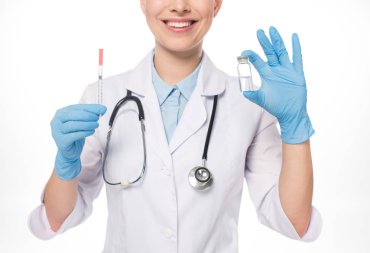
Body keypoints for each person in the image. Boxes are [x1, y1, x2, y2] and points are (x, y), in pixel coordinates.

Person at [28, 0, 322, 252]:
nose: (180, 5)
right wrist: (65, 164)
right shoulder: (102, 98)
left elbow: (293, 220)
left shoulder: (250, 104)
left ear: (216, 3)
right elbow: (55, 219)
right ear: (143, 1)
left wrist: (295, 128)